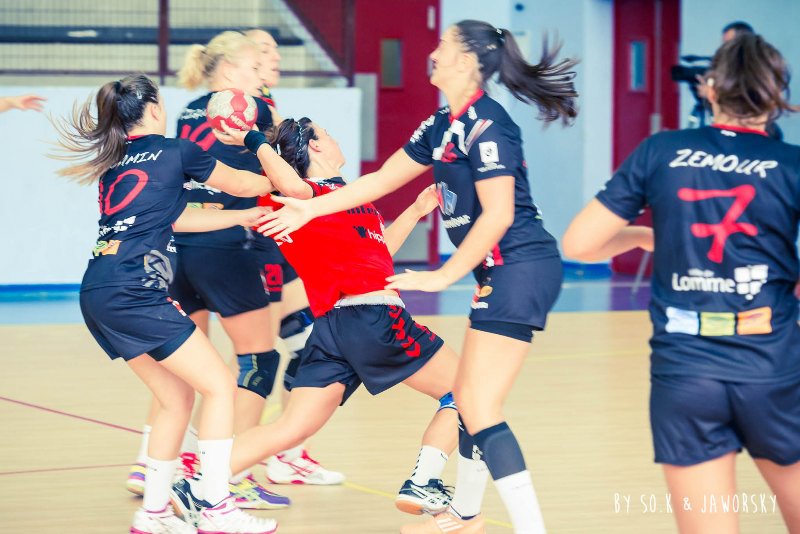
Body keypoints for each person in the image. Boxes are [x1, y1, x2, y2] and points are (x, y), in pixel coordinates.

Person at [256, 19, 577, 534]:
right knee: (469, 400)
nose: (435, 51)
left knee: (477, 403)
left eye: (446, 44)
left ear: (468, 61)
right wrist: (308, 210)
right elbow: (380, 179)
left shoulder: (488, 124)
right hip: (496, 274)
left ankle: (515, 522)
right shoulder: (441, 124)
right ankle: (463, 512)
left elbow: (498, 215)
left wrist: (443, 276)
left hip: (522, 267)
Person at [169, 117, 460, 524]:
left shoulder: (348, 198)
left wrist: (413, 212)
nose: (335, 137)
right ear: (316, 149)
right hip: (374, 318)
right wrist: (254, 138)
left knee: (293, 427)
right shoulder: (305, 197)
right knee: (467, 390)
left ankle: (199, 486)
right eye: (328, 133)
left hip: (333, 330)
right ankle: (424, 481)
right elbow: (291, 186)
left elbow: (377, 260)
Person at [563, 33, 800, 533]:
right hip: (773, 367)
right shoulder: (792, 164)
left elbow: (580, 245)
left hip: (685, 371)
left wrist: (648, 237)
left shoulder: (662, 150)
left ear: (709, 88)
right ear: (777, 94)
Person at [52, 74, 280, 534]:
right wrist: (263, 146)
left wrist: (246, 218)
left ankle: (153, 513)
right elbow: (240, 183)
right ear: (154, 110)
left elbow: (175, 217)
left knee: (176, 397)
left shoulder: (115, 162)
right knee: (220, 385)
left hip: (100, 290)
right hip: (137, 291)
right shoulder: (178, 150)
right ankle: (215, 506)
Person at [125, 30, 296, 511]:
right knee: (259, 360)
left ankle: (148, 459)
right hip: (226, 246)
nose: (259, 74)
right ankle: (229, 473)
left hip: (181, 246)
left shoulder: (188, 110)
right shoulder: (252, 108)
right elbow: (289, 157)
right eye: (252, 66)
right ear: (229, 71)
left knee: (181, 362)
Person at [244, 27, 343, 485]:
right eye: (264, 49)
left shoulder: (265, 103)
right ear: (243, 58)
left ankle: (286, 451)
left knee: (301, 343)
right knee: (274, 352)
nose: (275, 55)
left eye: (275, 47)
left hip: (280, 235)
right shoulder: (249, 106)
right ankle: (235, 459)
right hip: (265, 239)